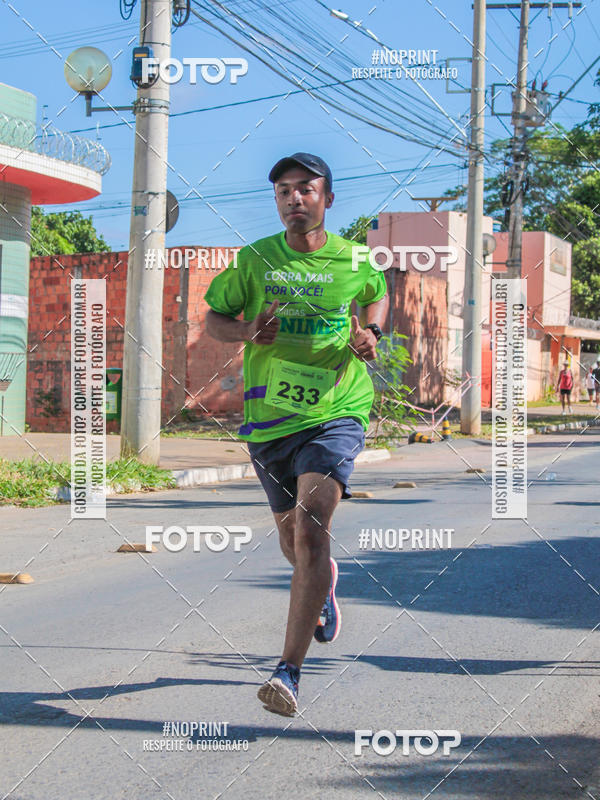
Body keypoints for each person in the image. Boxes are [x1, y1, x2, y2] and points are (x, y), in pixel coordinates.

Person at [204, 152, 389, 716]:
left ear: (328, 198)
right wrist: (246, 330)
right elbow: (213, 320)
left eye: (306, 189)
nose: (294, 199)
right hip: (270, 420)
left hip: (338, 408)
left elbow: (376, 292)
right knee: (293, 542)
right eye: (284, 190)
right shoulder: (255, 260)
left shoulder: (354, 257)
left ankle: (288, 671)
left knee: (310, 528)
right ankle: (324, 584)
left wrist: (372, 332)